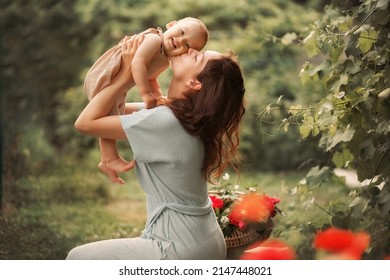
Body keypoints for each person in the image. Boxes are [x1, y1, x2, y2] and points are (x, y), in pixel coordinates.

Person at [67, 34, 245, 260]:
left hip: (178, 248)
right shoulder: (179, 116)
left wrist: (125, 75)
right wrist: (134, 65)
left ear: (195, 83)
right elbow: (111, 111)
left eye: (197, 56)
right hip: (203, 242)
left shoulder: (166, 121)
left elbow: (86, 123)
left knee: (78, 258)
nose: (189, 50)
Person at [84, 17, 209, 184]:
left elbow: (151, 79)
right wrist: (146, 95)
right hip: (105, 75)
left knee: (114, 110)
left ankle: (107, 160)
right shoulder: (154, 40)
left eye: (186, 45)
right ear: (171, 25)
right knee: (111, 111)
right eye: (181, 32)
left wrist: (158, 97)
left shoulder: (165, 59)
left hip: (116, 83)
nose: (179, 41)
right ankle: (109, 158)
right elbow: (137, 63)